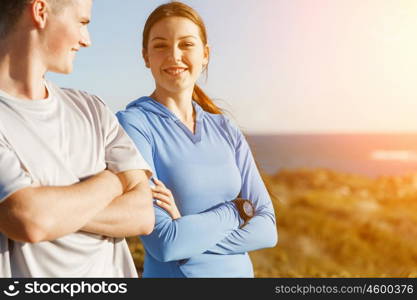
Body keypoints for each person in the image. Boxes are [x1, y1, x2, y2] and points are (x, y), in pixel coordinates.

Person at [117, 1, 277, 278]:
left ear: (205, 54)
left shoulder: (224, 126)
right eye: (160, 45)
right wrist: (237, 211)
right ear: (146, 56)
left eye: (186, 44)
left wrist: (188, 233)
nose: (174, 55)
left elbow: (267, 230)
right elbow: (165, 244)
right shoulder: (134, 123)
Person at [0, 0, 154, 277]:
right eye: (82, 23)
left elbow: (144, 214)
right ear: (40, 11)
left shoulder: (92, 108)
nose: (87, 40)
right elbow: (29, 220)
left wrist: (52, 211)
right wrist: (115, 180)